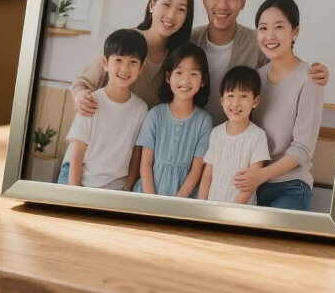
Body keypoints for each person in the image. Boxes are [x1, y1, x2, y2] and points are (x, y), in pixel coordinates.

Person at [187, 0, 328, 124]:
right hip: (193, 137)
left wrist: (314, 72)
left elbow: (284, 66)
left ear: (243, 3)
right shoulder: (189, 41)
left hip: (241, 139)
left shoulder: (258, 42)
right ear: (204, 1)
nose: (222, 4)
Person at [232, 0, 323, 211]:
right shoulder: (255, 78)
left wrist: (261, 175)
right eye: (263, 28)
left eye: (279, 27)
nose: (269, 36)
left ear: (295, 32)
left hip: (290, 185)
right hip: (253, 184)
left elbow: (302, 150)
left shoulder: (310, 80)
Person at [72, 0, 194, 114]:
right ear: (152, 5)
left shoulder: (177, 59)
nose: (172, 15)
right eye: (166, 4)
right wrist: (80, 96)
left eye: (181, 9)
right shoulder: (123, 41)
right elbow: (84, 83)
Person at [56, 29, 150, 191]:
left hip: (116, 190)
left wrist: (127, 189)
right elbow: (77, 153)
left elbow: (136, 154)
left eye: (133, 62)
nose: (125, 68)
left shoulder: (141, 109)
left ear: (141, 68)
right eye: (118, 60)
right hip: (83, 183)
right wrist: (74, 191)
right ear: (105, 63)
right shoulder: (92, 101)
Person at [132, 43, 214, 197]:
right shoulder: (155, 114)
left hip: (184, 200)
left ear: (203, 80)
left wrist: (176, 204)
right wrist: (152, 200)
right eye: (179, 72)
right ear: (168, 77)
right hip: (147, 195)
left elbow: (197, 170)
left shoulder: (204, 121)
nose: (185, 80)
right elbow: (146, 163)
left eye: (194, 74)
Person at [199, 65, 271, 205]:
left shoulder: (258, 136)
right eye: (230, 95)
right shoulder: (216, 133)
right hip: (211, 209)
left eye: (244, 96)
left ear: (255, 101)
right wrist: (201, 204)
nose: (236, 103)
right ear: (222, 100)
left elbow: (252, 181)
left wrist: (232, 209)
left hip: (241, 213)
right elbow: (208, 174)